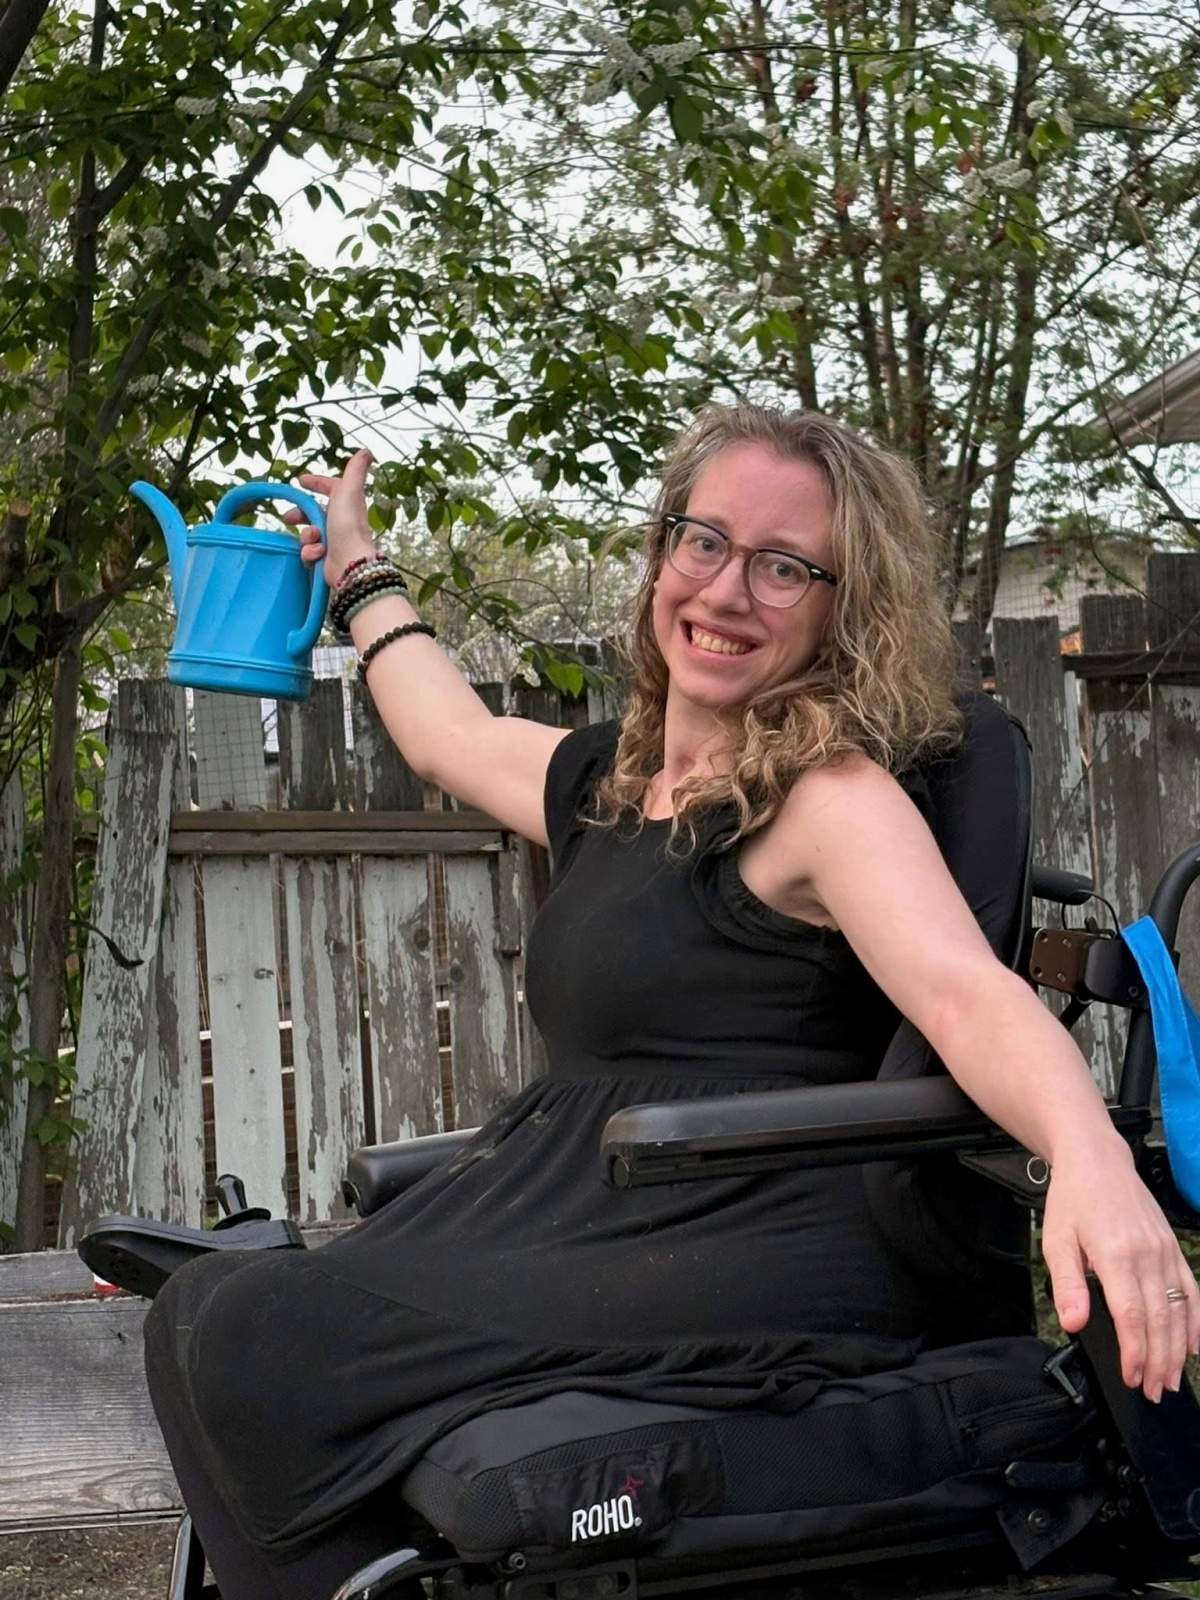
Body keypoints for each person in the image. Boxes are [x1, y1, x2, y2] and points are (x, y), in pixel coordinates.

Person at [143, 404, 1199, 1600]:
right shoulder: (611, 783)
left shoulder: (829, 796)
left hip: (755, 1228)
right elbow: (447, 731)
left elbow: (968, 996)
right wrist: (359, 567)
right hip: (600, 1218)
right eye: (704, 540)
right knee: (223, 1309)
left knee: (239, 1328)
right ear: (660, 555)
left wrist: (1092, 1163)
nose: (728, 589)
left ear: (841, 606)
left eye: (784, 565)